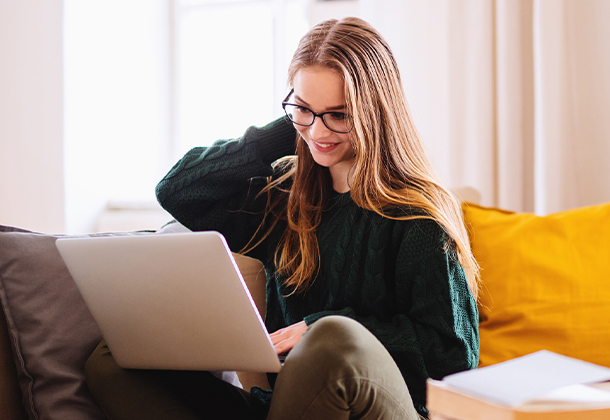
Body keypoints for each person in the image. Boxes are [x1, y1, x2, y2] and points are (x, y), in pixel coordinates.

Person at [85, 17, 479, 420]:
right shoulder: (285, 198)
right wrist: (287, 130)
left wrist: (321, 327)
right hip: (283, 409)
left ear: (374, 112)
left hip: (379, 409)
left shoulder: (418, 214)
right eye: (303, 109)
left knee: (332, 339)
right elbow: (178, 190)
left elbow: (455, 356)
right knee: (115, 358)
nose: (318, 131)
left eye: (338, 115)